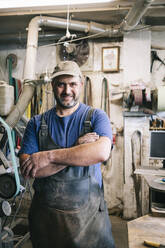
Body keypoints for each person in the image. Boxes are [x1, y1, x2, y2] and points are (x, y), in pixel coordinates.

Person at [19, 60, 115, 248]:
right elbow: (30, 170)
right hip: (47, 225)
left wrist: (48, 156)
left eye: (72, 84)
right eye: (61, 84)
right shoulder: (36, 123)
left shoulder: (96, 117)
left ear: (80, 84)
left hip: (90, 226)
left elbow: (102, 152)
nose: (67, 90)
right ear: (53, 86)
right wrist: (79, 149)